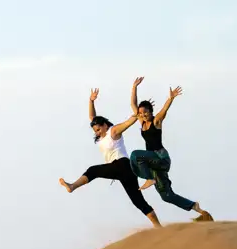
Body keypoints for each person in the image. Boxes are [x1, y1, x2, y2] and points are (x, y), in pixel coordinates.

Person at [59, 88, 163, 228]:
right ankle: (158, 227)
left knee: (93, 171)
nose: (96, 132)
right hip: (125, 171)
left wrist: (137, 115)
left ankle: (72, 186)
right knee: (138, 202)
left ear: (105, 125)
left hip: (121, 165)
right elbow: (92, 118)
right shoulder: (101, 134)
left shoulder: (113, 131)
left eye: (98, 129)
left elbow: (128, 123)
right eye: (95, 130)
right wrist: (91, 100)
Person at [129, 77, 213, 222]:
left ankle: (149, 178)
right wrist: (134, 87)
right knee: (166, 196)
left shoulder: (156, 121)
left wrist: (171, 98)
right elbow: (133, 104)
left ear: (151, 111)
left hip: (161, 158)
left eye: (146, 113)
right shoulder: (142, 121)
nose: (143, 115)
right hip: (152, 162)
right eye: (141, 114)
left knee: (135, 155)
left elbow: (164, 110)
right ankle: (198, 209)